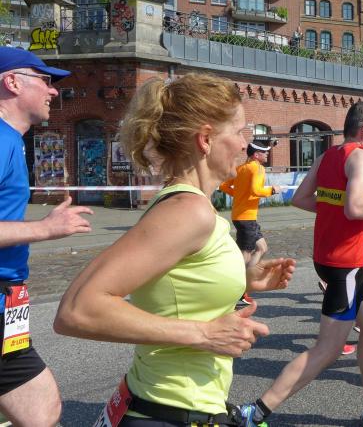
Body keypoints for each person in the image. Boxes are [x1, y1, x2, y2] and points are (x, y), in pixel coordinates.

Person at [53, 73, 296, 426]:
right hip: (168, 410)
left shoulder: (192, 206)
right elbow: (77, 310)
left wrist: (243, 280)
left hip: (172, 404)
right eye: (239, 131)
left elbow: (175, 288)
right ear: (206, 139)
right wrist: (205, 334)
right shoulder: (188, 211)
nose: (245, 144)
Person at [237, 101, 363, 427]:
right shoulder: (360, 157)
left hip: (329, 259)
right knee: (327, 349)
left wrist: (338, 208)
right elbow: (355, 208)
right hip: (345, 264)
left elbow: (301, 199)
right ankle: (255, 412)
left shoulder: (327, 155)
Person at [0, 48, 94, 426]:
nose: (53, 90)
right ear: (11, 82)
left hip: (9, 301)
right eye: (44, 80)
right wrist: (45, 228)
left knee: (41, 410)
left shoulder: (11, 140)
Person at [220, 141, 282, 305]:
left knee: (262, 248)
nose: (267, 154)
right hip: (246, 217)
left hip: (241, 216)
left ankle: (244, 283)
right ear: (256, 155)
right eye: (265, 152)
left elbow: (224, 186)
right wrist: (272, 190)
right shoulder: (257, 168)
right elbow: (256, 190)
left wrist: (240, 195)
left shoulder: (241, 168)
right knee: (245, 254)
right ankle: (238, 288)